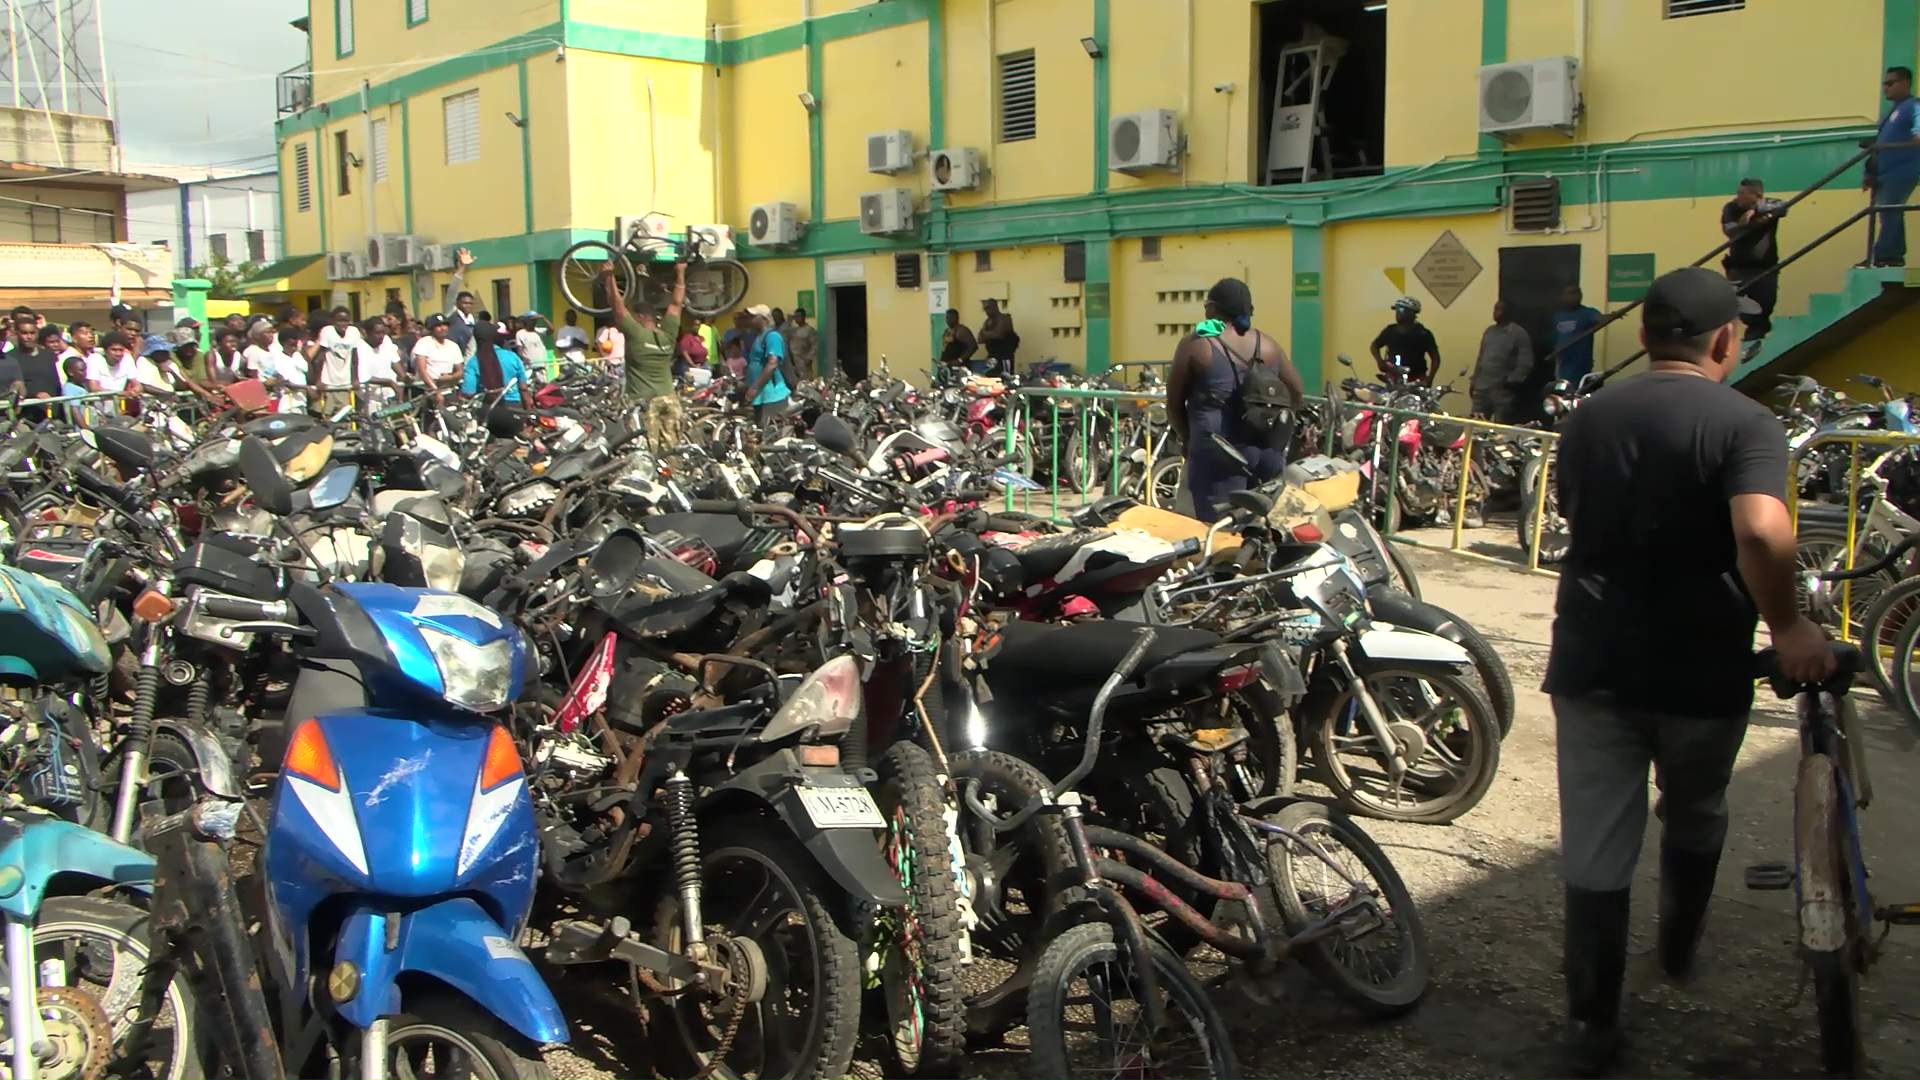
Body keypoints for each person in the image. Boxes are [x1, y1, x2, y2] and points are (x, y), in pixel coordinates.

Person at [1544, 267, 1835, 1076]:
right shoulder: (1746, 422)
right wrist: (1789, 624)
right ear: (1725, 340)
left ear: (1644, 336)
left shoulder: (1588, 417)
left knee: (1595, 841)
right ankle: (1676, 949)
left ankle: (1591, 1024)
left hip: (1593, 658)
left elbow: (1574, 511)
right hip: (1702, 666)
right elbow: (1761, 531)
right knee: (1697, 808)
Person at [1165, 277, 1306, 522]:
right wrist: (1278, 428)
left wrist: (1187, 438)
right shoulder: (1269, 345)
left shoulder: (1198, 344)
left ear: (1213, 308)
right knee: (1258, 530)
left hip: (1219, 456)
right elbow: (1297, 391)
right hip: (1267, 454)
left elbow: (1174, 403)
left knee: (1219, 532)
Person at [607, 261, 686, 453]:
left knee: (646, 451)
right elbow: (677, 304)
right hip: (669, 398)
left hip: (644, 401)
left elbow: (617, 307)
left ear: (640, 317)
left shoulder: (636, 334)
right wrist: (680, 272)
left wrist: (608, 276)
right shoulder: (667, 335)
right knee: (672, 450)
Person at [1867, 66, 1920, 268]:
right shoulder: (1889, 113)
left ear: (1905, 83)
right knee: (1889, 213)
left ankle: (1883, 254)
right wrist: (1868, 172)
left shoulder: (1914, 106)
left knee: (1889, 210)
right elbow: (1878, 143)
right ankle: (1893, 255)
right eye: (1884, 84)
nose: (1885, 88)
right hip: (1883, 172)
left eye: (1890, 83)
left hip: (1903, 169)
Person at [1721, 178, 1783, 352]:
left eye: (1743, 193)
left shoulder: (1768, 204)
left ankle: (1756, 341)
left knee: (1765, 305)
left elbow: (1783, 206)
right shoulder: (1731, 207)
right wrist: (1750, 222)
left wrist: (1755, 210)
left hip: (1765, 268)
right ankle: (1735, 344)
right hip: (1739, 268)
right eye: (1738, 192)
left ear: (1756, 195)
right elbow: (1730, 230)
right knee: (1735, 308)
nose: (1738, 196)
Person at [1470, 299, 1533, 421]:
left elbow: (1525, 362)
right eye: (1495, 309)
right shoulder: (1489, 332)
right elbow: (1481, 358)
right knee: (1476, 423)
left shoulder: (1518, 333)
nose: (1495, 312)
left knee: (1501, 424)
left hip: (1501, 389)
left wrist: (1512, 381)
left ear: (1508, 312)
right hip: (1482, 386)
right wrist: (1474, 381)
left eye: (1500, 309)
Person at [741, 302, 792, 427]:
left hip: (772, 395)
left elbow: (772, 364)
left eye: (753, 317)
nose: (750, 320)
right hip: (761, 395)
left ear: (763, 319)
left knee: (770, 430)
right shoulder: (759, 337)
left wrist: (755, 387)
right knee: (760, 429)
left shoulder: (772, 336)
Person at [1369, 297, 1442, 383]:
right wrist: (1379, 361)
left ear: (1412, 312)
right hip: (1393, 378)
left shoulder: (1423, 334)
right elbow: (1374, 346)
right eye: (1396, 310)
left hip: (1416, 379)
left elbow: (1435, 358)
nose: (1397, 313)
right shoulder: (1390, 330)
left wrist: (1430, 378)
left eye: (1401, 310)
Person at [459, 321, 529, 403]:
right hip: (514, 404)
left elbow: (469, 392)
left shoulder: (473, 362)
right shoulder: (512, 357)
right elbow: (523, 388)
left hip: (488, 406)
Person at [1550, 286, 1604, 386]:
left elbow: (1601, 319)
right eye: (1570, 293)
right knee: (1563, 389)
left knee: (1580, 389)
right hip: (1562, 363)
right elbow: (1555, 339)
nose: (1574, 297)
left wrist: (1611, 316)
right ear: (1563, 296)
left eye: (1577, 293)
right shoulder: (1557, 316)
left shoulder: (1588, 312)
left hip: (1581, 363)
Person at [412, 314, 464, 396]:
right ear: (432, 328)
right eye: (438, 326)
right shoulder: (424, 343)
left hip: (447, 390)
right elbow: (422, 370)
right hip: (427, 391)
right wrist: (435, 391)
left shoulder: (454, 346)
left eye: (445, 325)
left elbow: (460, 371)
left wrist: (450, 377)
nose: (443, 328)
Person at [265, 325, 311, 413]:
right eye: (292, 340)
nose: (295, 342)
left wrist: (304, 352)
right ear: (283, 342)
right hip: (287, 405)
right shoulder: (277, 358)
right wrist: (307, 388)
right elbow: (283, 382)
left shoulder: (298, 356)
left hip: (302, 402)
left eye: (296, 339)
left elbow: (308, 373)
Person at [441, 247, 478, 353]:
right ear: (457, 303)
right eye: (464, 303)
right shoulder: (451, 314)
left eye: (470, 303)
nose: (467, 306)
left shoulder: (473, 320)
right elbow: (452, 291)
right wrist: (462, 268)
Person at [83, 324, 141, 392]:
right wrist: (118, 394)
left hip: (121, 398)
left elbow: (138, 385)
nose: (118, 353)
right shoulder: (95, 359)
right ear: (105, 351)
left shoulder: (127, 358)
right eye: (114, 350)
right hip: (101, 398)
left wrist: (135, 391)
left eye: (121, 350)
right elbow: (94, 388)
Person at [979, 299, 1017, 376]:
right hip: (992, 356)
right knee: (990, 376)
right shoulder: (987, 321)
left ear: (995, 307)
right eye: (985, 309)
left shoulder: (1004, 318)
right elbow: (980, 339)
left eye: (988, 308)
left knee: (1006, 377)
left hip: (1004, 356)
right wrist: (989, 333)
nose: (986, 311)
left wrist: (985, 333)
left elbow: (998, 334)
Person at [938, 308, 978, 373]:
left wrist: (960, 360)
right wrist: (941, 361)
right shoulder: (946, 331)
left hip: (959, 368)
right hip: (947, 367)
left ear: (956, 318)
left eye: (950, 318)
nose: (948, 320)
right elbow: (945, 348)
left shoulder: (962, 330)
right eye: (947, 318)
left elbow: (973, 346)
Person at [514, 311, 553, 377]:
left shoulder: (538, 331)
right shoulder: (520, 333)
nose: (534, 322)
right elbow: (519, 351)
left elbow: (551, 329)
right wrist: (524, 358)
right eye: (532, 320)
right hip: (529, 367)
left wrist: (543, 318)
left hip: (541, 365)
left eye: (535, 321)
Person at [787, 307, 819, 381]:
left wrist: (809, 358)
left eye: (798, 316)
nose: (796, 318)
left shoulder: (809, 330)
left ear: (804, 317)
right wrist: (789, 322)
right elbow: (786, 336)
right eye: (795, 316)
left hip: (804, 361)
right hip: (794, 361)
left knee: (806, 382)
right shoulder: (794, 330)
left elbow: (815, 345)